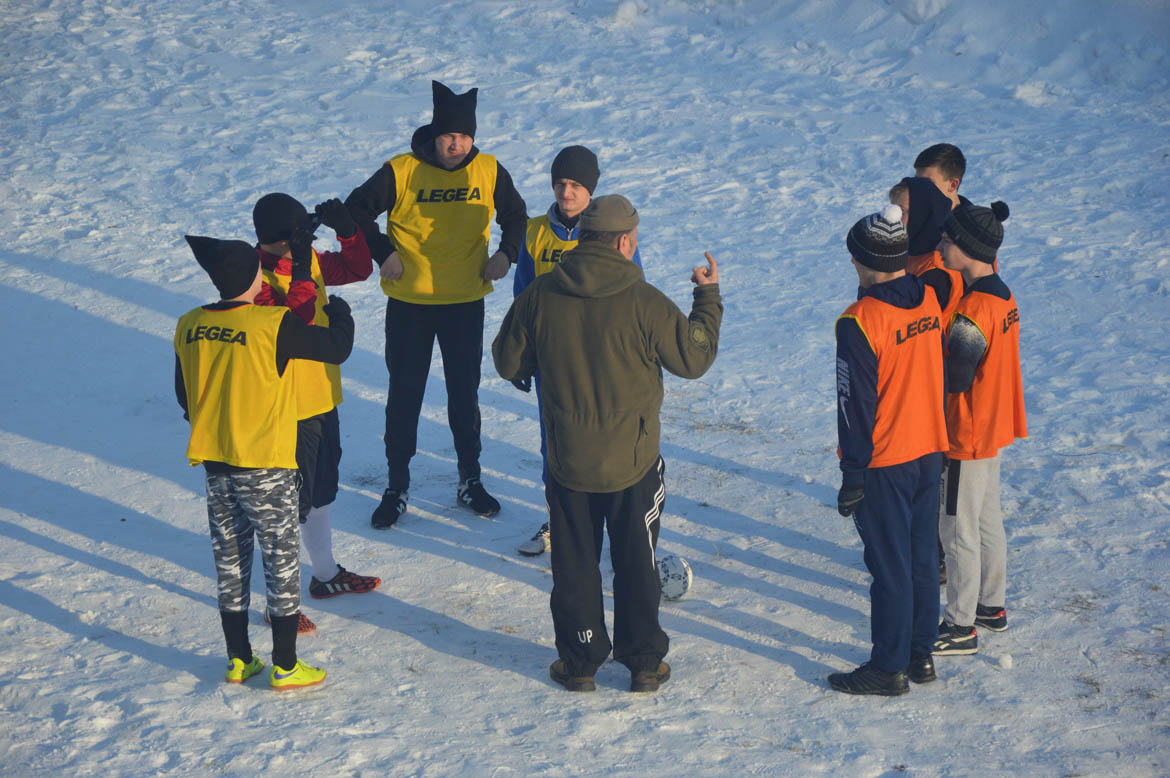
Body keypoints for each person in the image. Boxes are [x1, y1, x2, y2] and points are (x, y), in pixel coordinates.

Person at [492, 194, 722, 693]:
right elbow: (695, 359)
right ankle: (643, 664)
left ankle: (579, 663)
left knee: (573, 565)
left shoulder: (541, 295)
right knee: (636, 562)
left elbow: (507, 363)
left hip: (568, 459)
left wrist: (537, 363)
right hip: (633, 463)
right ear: (623, 242)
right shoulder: (646, 302)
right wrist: (708, 298)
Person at [174, 235, 354, 689]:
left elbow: (184, 395)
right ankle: (287, 666)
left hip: (217, 468)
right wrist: (344, 315)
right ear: (253, 277)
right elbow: (335, 348)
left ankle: (238, 660)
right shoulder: (271, 323)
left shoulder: (189, 323)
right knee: (282, 562)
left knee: (231, 564)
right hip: (266, 465)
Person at [345, 80, 528, 528]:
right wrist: (381, 250)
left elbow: (517, 215)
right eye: (450, 135)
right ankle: (396, 485)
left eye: (465, 137)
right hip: (410, 303)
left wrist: (507, 254)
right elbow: (355, 208)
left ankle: (470, 480)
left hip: (464, 301)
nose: (457, 144)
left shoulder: (487, 170)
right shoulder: (403, 169)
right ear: (435, 132)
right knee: (404, 395)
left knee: (464, 396)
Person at [830, 204, 948, 696]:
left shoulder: (859, 321)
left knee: (890, 567)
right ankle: (921, 655)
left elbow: (854, 402)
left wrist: (853, 473)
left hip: (886, 460)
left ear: (868, 261)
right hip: (930, 450)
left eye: (856, 258)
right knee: (922, 559)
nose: (852, 265)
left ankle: (888, 666)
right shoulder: (928, 299)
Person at [251, 193, 382, 636]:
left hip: (323, 399)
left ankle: (325, 577)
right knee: (288, 506)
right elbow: (297, 320)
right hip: (286, 409)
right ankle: (278, 602)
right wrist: (304, 263)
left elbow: (360, 268)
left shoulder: (304, 261)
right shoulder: (254, 280)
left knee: (321, 493)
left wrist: (348, 230)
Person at [512, 145, 644, 557]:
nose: (566, 192)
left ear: (591, 189)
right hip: (554, 362)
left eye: (576, 185)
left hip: (605, 362)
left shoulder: (611, 231)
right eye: (560, 183)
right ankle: (560, 522)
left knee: (607, 443)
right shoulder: (534, 231)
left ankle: (613, 525)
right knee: (554, 443)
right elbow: (523, 298)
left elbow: (633, 295)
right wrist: (522, 352)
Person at [933, 200, 1026, 656]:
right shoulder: (1003, 295)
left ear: (969, 249)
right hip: (994, 427)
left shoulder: (971, 310)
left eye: (947, 242)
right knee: (988, 520)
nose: (940, 248)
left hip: (966, 434)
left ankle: (960, 624)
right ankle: (992, 605)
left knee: (956, 530)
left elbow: (955, 378)